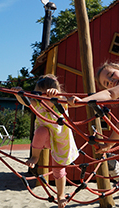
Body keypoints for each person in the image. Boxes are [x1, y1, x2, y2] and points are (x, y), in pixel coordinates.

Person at [11, 74, 79, 208]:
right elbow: (26, 101)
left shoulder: (60, 102)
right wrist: (18, 94)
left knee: (58, 171)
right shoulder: (37, 103)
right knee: (41, 130)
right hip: (44, 139)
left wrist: (57, 96)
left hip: (61, 142)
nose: (43, 99)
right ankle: (35, 157)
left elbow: (69, 102)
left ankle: (60, 195)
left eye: (46, 96)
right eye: (40, 95)